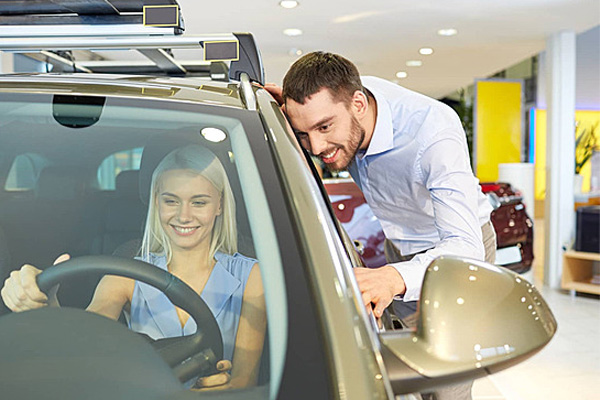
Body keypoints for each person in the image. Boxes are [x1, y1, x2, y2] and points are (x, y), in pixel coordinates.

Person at [266, 51, 496, 400]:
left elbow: (465, 246)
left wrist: (393, 277)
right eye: (304, 132)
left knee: (447, 384)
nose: (316, 146)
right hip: (399, 247)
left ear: (358, 103)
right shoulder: (342, 102)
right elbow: (319, 112)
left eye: (324, 127)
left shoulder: (433, 133)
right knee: (409, 368)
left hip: (457, 253)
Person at [1, 145, 266, 390]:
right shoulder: (125, 274)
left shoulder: (252, 276)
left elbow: (244, 380)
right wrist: (47, 304)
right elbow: (83, 342)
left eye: (199, 202)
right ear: (155, 201)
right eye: (171, 201)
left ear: (219, 204)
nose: (184, 216)